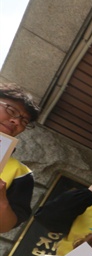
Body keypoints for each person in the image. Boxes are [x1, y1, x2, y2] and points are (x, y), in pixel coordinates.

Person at [0, 83, 39, 233]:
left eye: (24, 121)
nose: (16, 122)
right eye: (11, 110)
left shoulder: (21, 173)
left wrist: (2, 200)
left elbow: (5, 227)